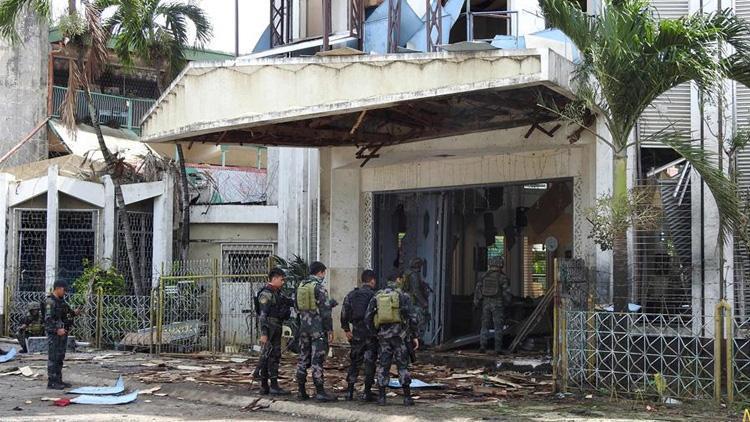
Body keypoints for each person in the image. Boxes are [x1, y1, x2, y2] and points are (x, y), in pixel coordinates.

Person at [364, 280, 419, 406]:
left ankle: (382, 398)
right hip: (400, 337)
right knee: (402, 366)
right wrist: (415, 335)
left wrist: (375, 333)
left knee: (383, 365)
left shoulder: (377, 296)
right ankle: (407, 397)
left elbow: (367, 317)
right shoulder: (404, 296)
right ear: (398, 280)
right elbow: (413, 317)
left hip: (383, 338)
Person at [295, 261, 337, 402]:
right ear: (320, 272)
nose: (324, 275)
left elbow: (297, 307)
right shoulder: (319, 287)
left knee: (303, 358)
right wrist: (330, 330)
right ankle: (320, 392)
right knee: (317, 359)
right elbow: (325, 312)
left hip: (303, 327)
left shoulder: (301, 286)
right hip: (317, 329)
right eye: (324, 273)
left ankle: (301, 391)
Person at [340, 269, 379, 401]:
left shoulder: (351, 295)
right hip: (371, 334)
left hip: (356, 333)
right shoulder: (375, 295)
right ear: (372, 280)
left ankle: (349, 392)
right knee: (370, 362)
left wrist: (346, 329)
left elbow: (344, 313)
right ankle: (366, 392)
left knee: (355, 362)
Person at [255, 268, 293, 396]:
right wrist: (264, 333)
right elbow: (263, 315)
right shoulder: (266, 294)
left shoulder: (277, 293)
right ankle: (267, 385)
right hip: (270, 328)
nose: (283, 282)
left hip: (276, 326)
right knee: (268, 356)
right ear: (275, 278)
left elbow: (289, 302)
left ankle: (269, 385)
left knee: (274, 356)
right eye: (281, 279)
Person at [473, 256, 512, 355]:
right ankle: (497, 348)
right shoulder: (502, 277)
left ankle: (482, 346)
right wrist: (508, 303)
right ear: (500, 264)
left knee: (484, 325)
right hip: (497, 304)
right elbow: (506, 293)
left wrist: (476, 303)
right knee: (498, 326)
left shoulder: (483, 276)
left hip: (486, 303)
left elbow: (478, 291)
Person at [45, 280, 78, 389]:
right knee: (53, 358)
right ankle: (52, 382)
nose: (65, 292)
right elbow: (48, 320)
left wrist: (75, 313)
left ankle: (58, 380)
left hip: (62, 333)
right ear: (58, 288)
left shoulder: (61, 301)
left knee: (60, 357)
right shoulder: (50, 302)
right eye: (64, 290)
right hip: (54, 334)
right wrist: (56, 330)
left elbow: (68, 312)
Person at [401, 258, 429, 344]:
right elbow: (416, 291)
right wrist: (424, 302)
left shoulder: (407, 273)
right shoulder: (414, 275)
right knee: (421, 321)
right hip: (414, 303)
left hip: (408, 301)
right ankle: (418, 341)